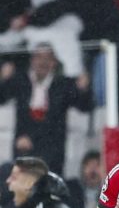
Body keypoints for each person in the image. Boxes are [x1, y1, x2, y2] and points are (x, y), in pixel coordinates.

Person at [0, 44, 94, 175]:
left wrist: (83, 89)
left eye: (48, 58)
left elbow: (85, 107)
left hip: (51, 153)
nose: (43, 62)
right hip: (24, 150)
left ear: (54, 62)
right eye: (39, 57)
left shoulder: (63, 84)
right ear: (32, 60)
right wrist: (3, 79)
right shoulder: (21, 81)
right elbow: (2, 97)